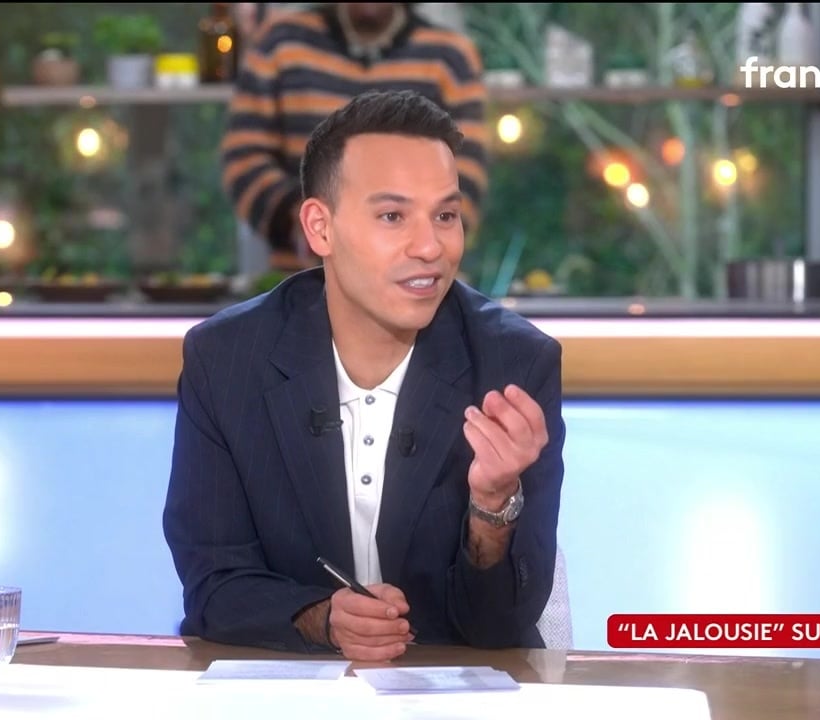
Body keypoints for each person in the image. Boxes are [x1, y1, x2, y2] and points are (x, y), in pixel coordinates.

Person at [163, 89, 564, 661]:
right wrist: (323, 619)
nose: (430, 246)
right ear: (320, 228)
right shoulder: (227, 361)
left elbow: (501, 625)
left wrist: (493, 506)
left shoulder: (514, 367)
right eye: (393, 216)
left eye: (445, 215)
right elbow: (213, 585)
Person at [220, 2, 488, 271]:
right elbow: (244, 158)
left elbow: (467, 177)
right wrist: (301, 219)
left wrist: (406, 238)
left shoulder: (451, 59)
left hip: (419, 277)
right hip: (304, 275)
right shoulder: (279, 45)